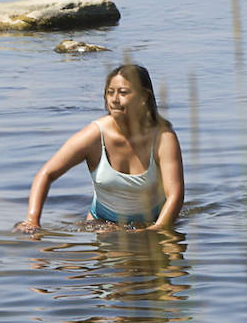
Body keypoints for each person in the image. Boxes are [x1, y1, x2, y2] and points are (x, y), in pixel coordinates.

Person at [16, 64, 185, 232]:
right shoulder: (94, 135)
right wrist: (32, 220)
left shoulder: (163, 137)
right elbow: (46, 174)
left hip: (154, 222)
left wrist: (156, 230)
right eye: (110, 92)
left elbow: (175, 195)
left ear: (144, 97)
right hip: (102, 223)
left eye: (123, 92)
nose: (114, 99)